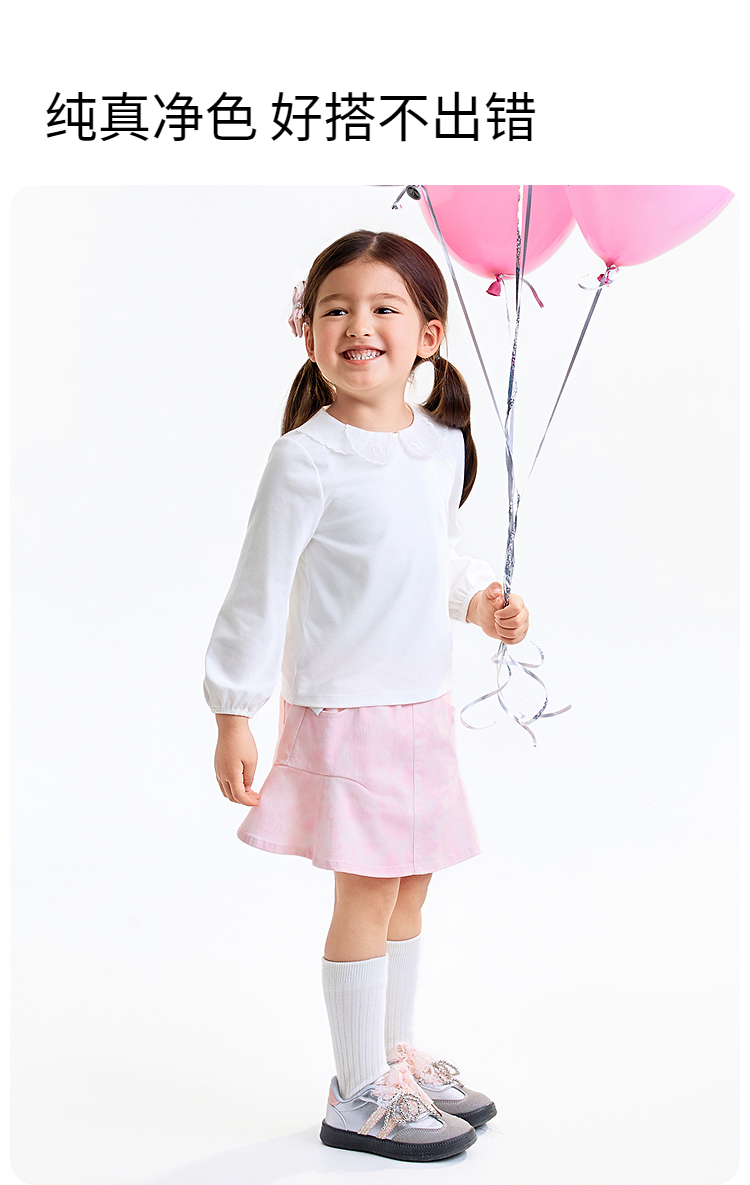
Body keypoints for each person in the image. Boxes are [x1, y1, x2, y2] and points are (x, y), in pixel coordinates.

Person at [204, 229, 529, 1163]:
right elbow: (259, 589)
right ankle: (356, 1092)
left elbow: (435, 555)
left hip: (421, 703)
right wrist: (233, 710)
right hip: (345, 712)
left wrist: (480, 600)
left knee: (412, 882)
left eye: (385, 307)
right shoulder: (305, 459)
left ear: (428, 335)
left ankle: (390, 1056)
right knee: (370, 887)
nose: (360, 324)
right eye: (337, 307)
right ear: (307, 331)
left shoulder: (437, 445)